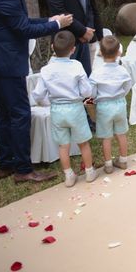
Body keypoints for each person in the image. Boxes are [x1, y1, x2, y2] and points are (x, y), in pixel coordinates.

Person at [0, 0, 72, 183]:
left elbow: (21, 22)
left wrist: (50, 20)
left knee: (3, 113)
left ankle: (6, 163)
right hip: (7, 61)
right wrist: (56, 25)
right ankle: (22, 168)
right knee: (19, 113)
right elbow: (23, 29)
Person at [32, 31, 98, 187]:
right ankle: (89, 172)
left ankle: (68, 175)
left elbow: (38, 94)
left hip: (57, 110)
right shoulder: (76, 66)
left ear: (53, 47)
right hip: (75, 109)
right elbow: (87, 92)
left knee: (63, 145)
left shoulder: (46, 70)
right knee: (83, 143)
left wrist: (47, 102)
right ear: (73, 49)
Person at [89, 36, 133, 173]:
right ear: (118, 53)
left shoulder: (96, 73)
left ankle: (108, 165)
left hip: (104, 107)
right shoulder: (122, 71)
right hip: (119, 104)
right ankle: (123, 160)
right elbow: (128, 86)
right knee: (121, 134)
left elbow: (92, 92)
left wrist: (94, 101)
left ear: (100, 52)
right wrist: (120, 95)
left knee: (106, 137)